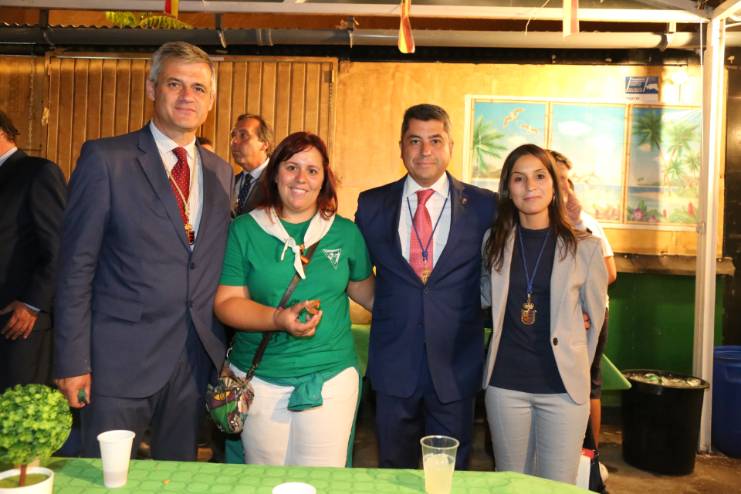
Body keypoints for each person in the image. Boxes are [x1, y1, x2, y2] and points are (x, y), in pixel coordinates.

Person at [53, 41, 233, 461]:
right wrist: (72, 360)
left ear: (211, 101)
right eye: (174, 84)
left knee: (177, 477)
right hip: (117, 361)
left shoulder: (220, 172)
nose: (187, 96)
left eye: (199, 88)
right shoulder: (106, 159)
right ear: (152, 89)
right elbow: (76, 267)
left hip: (193, 361)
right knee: (106, 477)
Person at [213, 131, 374, 466]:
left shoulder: (345, 233)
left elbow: (369, 294)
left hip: (330, 377)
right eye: (291, 167)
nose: (301, 178)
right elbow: (227, 302)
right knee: (266, 477)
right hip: (259, 379)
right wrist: (278, 319)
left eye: (312, 170)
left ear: (324, 179)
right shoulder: (244, 230)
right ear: (275, 174)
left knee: (322, 479)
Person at [355, 103, 497, 469]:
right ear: (401, 146)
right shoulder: (371, 205)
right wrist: (388, 306)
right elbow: (354, 269)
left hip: (455, 364)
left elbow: (504, 268)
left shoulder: (484, 206)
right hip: (394, 363)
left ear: (450, 146)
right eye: (415, 140)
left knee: (450, 473)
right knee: (394, 470)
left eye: (435, 140)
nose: (425, 151)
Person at [481, 143, 608, 484]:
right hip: (505, 385)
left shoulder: (586, 247)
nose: (530, 186)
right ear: (508, 189)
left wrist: (575, 365)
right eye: (519, 178)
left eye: (539, 176)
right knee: (511, 484)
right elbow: (483, 297)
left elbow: (595, 324)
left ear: (555, 185)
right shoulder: (494, 241)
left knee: (556, 486)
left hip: (563, 390)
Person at [551, 149, 617, 449]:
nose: (562, 185)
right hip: (556, 316)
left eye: (565, 178)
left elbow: (609, 273)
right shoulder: (534, 223)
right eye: (554, 177)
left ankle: (589, 457)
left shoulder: (584, 223)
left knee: (588, 383)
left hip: (588, 315)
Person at [0, 110, 66, 394]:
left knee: (19, 412)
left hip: (22, 324)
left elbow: (60, 246)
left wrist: (32, 303)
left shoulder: (37, 172)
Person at [230, 114, 273, 216]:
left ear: (264, 144)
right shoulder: (230, 181)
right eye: (233, 136)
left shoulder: (277, 181)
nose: (234, 141)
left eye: (243, 135)